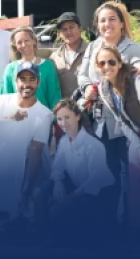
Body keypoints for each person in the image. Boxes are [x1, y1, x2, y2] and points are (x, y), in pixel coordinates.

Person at [77, 1, 140, 228]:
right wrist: (87, 88)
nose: (107, 24)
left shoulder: (132, 48)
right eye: (102, 20)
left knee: (127, 172)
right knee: (106, 170)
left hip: (125, 122)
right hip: (99, 119)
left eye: (112, 19)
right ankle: (110, 218)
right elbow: (82, 75)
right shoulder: (93, 48)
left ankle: (127, 219)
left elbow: (136, 67)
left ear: (122, 23)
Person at [34, 99, 115, 247]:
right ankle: (47, 236)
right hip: (78, 189)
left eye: (67, 117)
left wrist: (68, 197)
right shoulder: (64, 141)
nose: (63, 123)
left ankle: (75, 241)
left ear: (77, 116)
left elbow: (94, 183)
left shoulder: (93, 145)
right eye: (59, 119)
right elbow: (57, 167)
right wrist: (58, 183)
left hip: (97, 196)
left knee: (58, 210)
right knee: (44, 189)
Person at [0, 62, 54, 213]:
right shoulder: (1, 101)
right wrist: (8, 119)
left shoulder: (44, 114)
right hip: (0, 162)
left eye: (32, 79)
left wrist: (24, 191)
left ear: (38, 82)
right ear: (15, 82)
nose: (27, 84)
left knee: (36, 197)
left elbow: (35, 153)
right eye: (22, 79)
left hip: (28, 166)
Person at [93, 44, 140, 230]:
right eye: (102, 63)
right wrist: (137, 146)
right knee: (134, 188)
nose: (107, 66)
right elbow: (122, 120)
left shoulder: (135, 81)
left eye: (111, 62)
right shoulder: (105, 89)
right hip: (135, 138)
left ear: (120, 63)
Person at [1, 26, 61, 111]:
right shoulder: (10, 69)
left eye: (26, 40)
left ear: (34, 41)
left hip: (43, 119)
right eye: (19, 42)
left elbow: (54, 96)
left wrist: (55, 119)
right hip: (17, 119)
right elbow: (6, 98)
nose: (24, 45)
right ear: (15, 46)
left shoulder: (48, 66)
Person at [50, 12, 87, 98]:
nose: (68, 32)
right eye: (64, 29)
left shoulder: (92, 51)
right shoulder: (54, 57)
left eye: (71, 27)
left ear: (80, 29)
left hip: (88, 107)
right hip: (65, 108)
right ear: (60, 34)